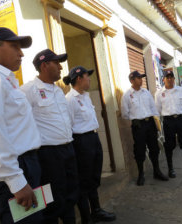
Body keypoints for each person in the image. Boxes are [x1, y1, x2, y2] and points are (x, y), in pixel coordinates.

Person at [0, 27, 42, 224]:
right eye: (14, 46)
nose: (21, 53)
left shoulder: (4, 79)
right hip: (15, 168)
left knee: (34, 218)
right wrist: (16, 182)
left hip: (25, 164)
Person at [21, 49, 79, 224]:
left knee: (71, 193)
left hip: (68, 148)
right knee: (53, 200)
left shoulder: (58, 91)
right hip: (48, 154)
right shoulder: (28, 90)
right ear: (45, 65)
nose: (61, 67)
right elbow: (21, 123)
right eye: (57, 63)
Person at [63, 66, 116, 224]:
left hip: (93, 138)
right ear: (79, 78)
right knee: (83, 181)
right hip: (81, 142)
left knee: (93, 177)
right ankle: (86, 217)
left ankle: (97, 210)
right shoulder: (70, 99)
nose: (90, 79)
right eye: (87, 76)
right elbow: (69, 126)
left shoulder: (85, 96)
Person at [121, 70, 168, 186]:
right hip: (138, 126)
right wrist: (135, 118)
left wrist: (154, 121)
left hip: (150, 123)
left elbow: (153, 108)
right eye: (138, 78)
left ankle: (157, 171)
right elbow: (124, 113)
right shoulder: (127, 95)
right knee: (139, 150)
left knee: (154, 149)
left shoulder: (146, 92)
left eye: (141, 77)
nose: (141, 79)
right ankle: (141, 174)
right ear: (132, 80)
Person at [155, 70, 182, 178]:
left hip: (180, 120)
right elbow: (158, 109)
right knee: (169, 146)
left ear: (174, 79)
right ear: (163, 79)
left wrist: (179, 115)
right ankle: (171, 169)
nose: (170, 79)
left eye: (171, 77)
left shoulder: (181, 90)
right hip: (168, 121)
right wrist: (169, 116)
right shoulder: (159, 93)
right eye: (167, 77)